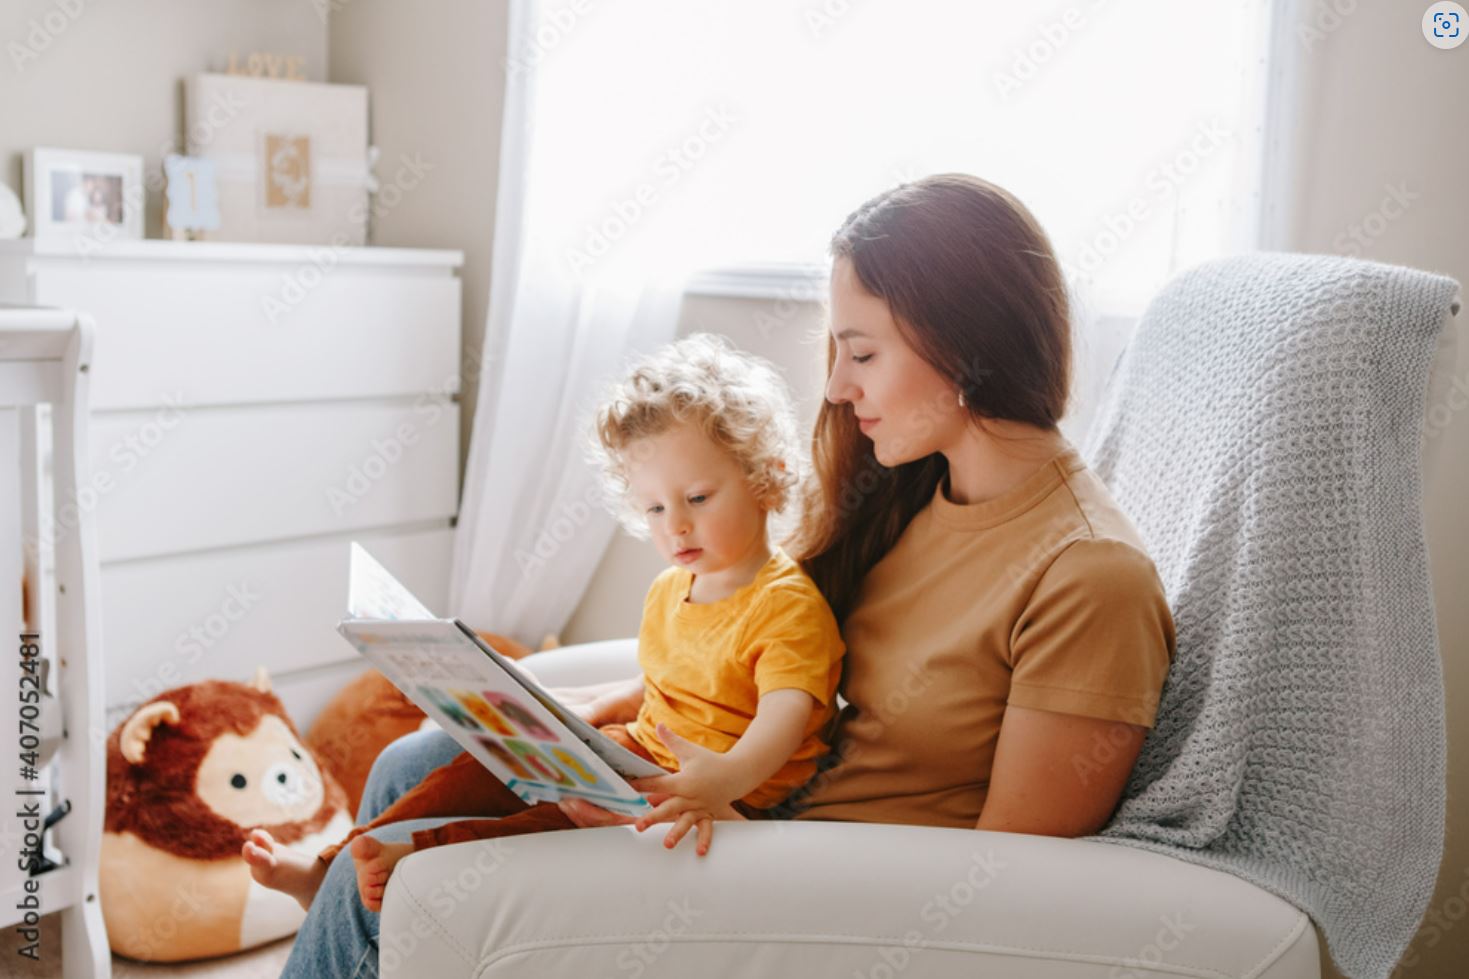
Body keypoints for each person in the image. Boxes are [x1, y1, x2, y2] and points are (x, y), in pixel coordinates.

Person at [276, 173, 1177, 979]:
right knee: (414, 760)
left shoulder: (1087, 576)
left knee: (414, 877)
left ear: (965, 344)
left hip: (801, 876)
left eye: (861, 353)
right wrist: (570, 719)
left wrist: (725, 827)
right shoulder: (912, 495)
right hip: (739, 806)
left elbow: (1014, 900)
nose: (832, 386)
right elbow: (758, 655)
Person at [243, 334, 845, 913]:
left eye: (698, 498)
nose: (675, 527)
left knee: (557, 821)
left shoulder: (787, 606)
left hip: (723, 797)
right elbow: (665, 680)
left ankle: (411, 858)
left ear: (764, 477)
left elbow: (783, 720)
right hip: (641, 758)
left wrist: (720, 781)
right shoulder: (672, 588)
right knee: (482, 764)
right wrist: (584, 712)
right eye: (655, 508)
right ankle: (328, 867)